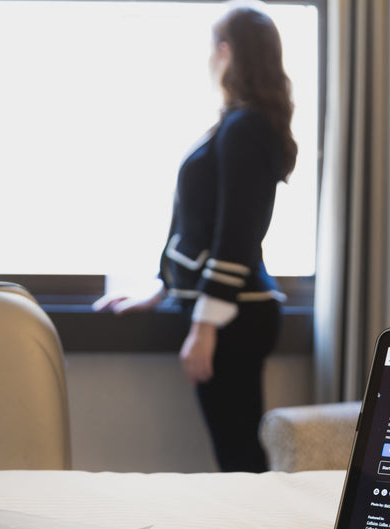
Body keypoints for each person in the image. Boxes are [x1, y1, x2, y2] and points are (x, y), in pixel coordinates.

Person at [93, 4, 296, 472]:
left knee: (239, 457)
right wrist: (162, 288)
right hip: (237, 314)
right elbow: (201, 226)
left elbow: (236, 235)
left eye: (212, 46)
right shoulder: (243, 124)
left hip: (235, 319)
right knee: (236, 452)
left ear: (225, 52)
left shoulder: (245, 127)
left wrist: (204, 327)